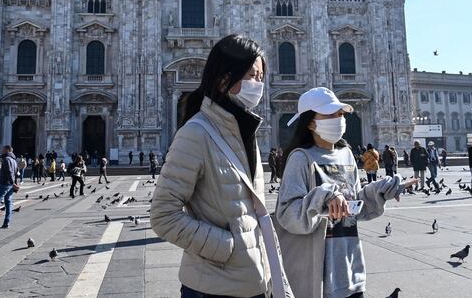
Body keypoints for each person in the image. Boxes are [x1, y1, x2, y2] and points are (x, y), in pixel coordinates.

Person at [150, 35, 272, 298]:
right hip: (211, 287)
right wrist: (226, 247)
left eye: (261, 77)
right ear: (224, 79)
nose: (258, 84)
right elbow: (163, 215)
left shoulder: (245, 133)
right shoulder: (195, 133)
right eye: (251, 75)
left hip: (253, 282)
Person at [275, 87, 416, 298]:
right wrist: (325, 196)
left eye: (340, 113)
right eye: (330, 114)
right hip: (317, 274)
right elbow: (287, 215)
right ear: (311, 122)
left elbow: (355, 207)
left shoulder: (346, 154)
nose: (339, 118)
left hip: (350, 270)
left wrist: (379, 191)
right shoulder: (300, 158)